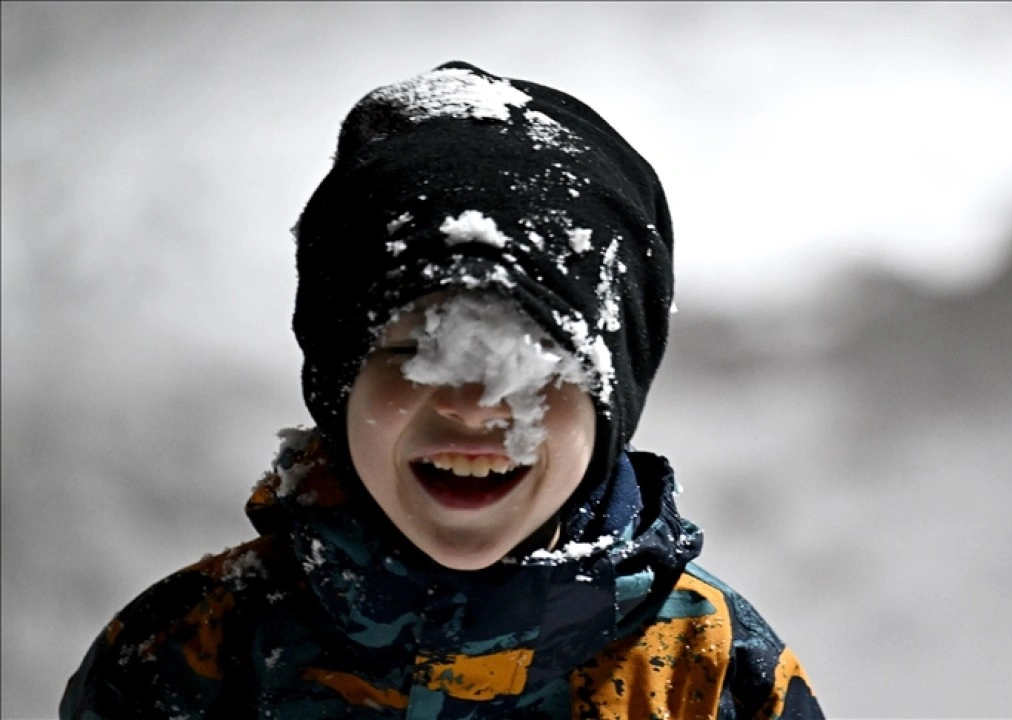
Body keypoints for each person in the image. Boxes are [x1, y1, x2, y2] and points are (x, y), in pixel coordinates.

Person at [60, 60, 824, 719]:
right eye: (416, 353)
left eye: (535, 362)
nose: (475, 404)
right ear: (336, 380)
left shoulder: (708, 669)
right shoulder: (186, 659)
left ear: (612, 398)